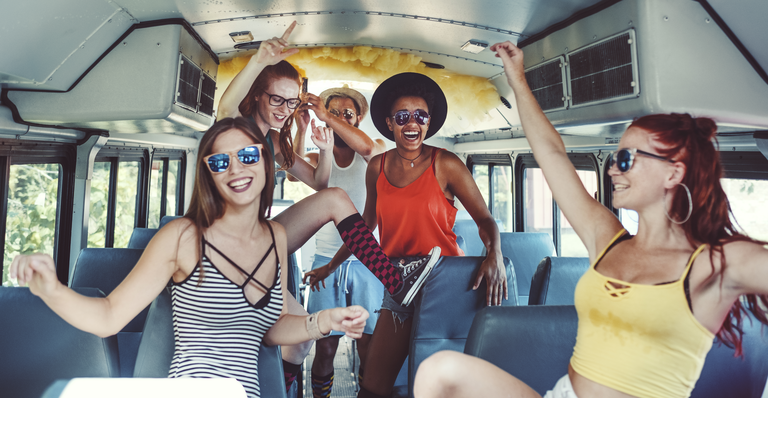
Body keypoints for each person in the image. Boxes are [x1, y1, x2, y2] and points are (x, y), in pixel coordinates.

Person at [413, 41, 768, 398]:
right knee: (440, 371)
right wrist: (517, 80)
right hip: (563, 400)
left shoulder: (716, 263)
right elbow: (552, 153)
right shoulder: (607, 238)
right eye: (614, 159)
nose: (613, 168)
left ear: (673, 174)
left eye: (626, 159)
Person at [10, 117, 369, 398]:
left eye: (247, 156)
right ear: (207, 174)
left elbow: (270, 329)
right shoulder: (182, 237)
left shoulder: (275, 237)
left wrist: (324, 320)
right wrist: (50, 290)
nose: (236, 169)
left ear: (265, 161)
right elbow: (108, 317)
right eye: (219, 162)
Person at [215, 21, 440, 394]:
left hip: (263, 238)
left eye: (291, 102)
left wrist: (318, 144)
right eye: (277, 100)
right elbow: (225, 106)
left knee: (301, 338)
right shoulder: (241, 130)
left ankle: (395, 280)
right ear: (257, 96)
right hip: (234, 245)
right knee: (308, 338)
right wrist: (258, 60)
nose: (285, 109)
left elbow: (321, 185)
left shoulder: (276, 141)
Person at [305, 72, 508, 398]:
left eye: (420, 116)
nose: (411, 123)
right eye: (402, 117)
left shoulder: (447, 164)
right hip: (396, 280)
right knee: (373, 385)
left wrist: (494, 253)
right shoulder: (378, 167)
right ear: (390, 122)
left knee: (445, 386)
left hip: (446, 284)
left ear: (428, 123)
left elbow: (485, 219)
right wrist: (331, 266)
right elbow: (366, 224)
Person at [290, 86, 387, 398]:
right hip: (325, 261)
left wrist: (327, 116)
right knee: (326, 348)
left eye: (348, 113)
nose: (341, 118)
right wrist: (302, 128)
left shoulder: (372, 151)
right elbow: (291, 171)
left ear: (357, 118)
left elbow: (371, 148)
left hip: (366, 263)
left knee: (369, 346)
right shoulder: (320, 157)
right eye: (335, 112)